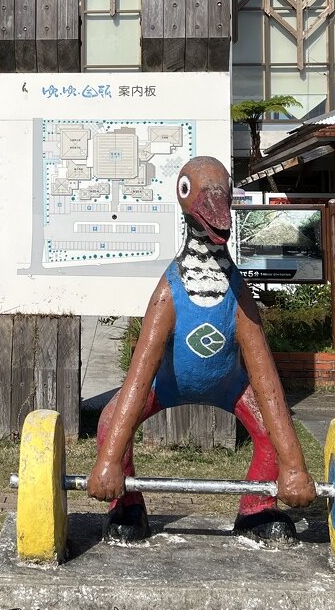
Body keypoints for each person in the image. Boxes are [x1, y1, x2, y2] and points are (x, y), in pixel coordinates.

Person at [88, 157, 315, 544]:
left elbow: (265, 378)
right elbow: (141, 372)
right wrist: (108, 460)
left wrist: (293, 463)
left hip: (229, 385)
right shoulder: (170, 292)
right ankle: (127, 504)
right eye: (203, 194)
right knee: (111, 424)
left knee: (271, 433)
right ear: (184, 198)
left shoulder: (237, 294)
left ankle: (256, 507)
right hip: (168, 384)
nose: (215, 208)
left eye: (221, 194)